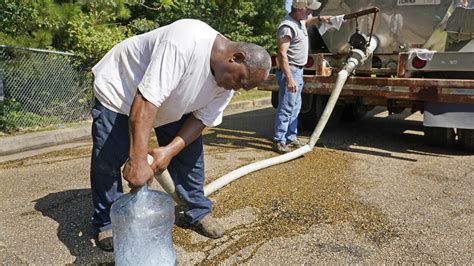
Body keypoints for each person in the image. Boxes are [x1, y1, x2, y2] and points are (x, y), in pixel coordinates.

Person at [90, 19, 271, 251]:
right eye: (240, 81)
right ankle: (107, 220)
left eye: (243, 87)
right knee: (108, 158)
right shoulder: (186, 40)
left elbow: (202, 119)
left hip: (169, 103)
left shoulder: (227, 81)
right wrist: (137, 161)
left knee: (189, 156)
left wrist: (168, 151)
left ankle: (197, 210)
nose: (237, 88)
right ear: (235, 58)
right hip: (121, 92)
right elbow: (145, 101)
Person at [273, 0, 332, 153]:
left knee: (295, 107)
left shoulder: (299, 21)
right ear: (299, 9)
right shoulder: (287, 26)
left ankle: (291, 137)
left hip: (298, 71)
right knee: (286, 107)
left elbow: (308, 21)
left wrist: (320, 19)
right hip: (290, 71)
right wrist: (290, 78)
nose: (309, 13)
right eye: (308, 10)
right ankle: (280, 140)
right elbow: (282, 54)